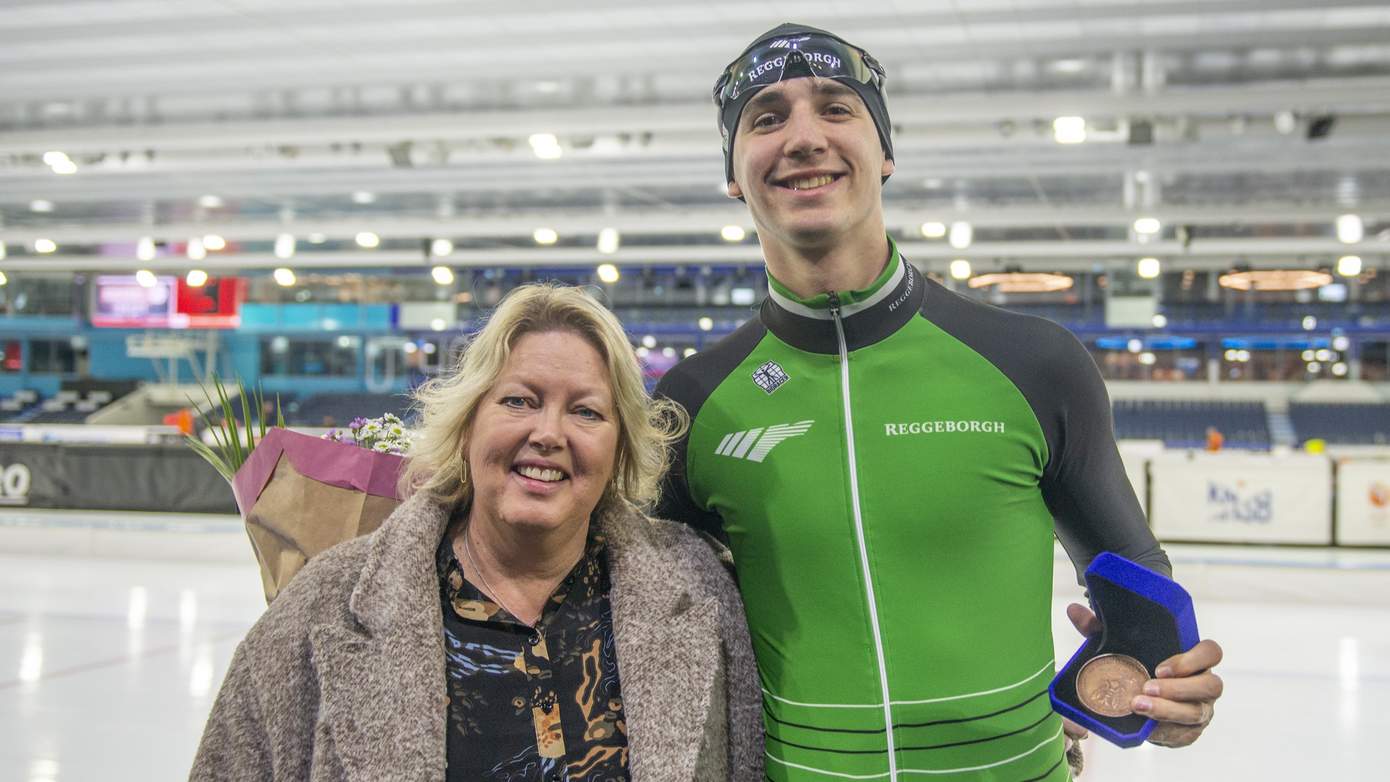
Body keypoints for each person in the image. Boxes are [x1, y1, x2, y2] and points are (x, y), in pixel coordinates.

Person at [655, 23, 1223, 781]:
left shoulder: (1033, 362)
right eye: (765, 119)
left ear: (885, 152)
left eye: (836, 108)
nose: (803, 138)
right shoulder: (692, 402)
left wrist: (1165, 695)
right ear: (733, 173)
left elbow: (1138, 589)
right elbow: (642, 616)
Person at [192, 284, 764, 781]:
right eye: (519, 401)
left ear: (620, 451)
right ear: (467, 426)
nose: (549, 433)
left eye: (586, 412)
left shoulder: (701, 593)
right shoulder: (324, 604)